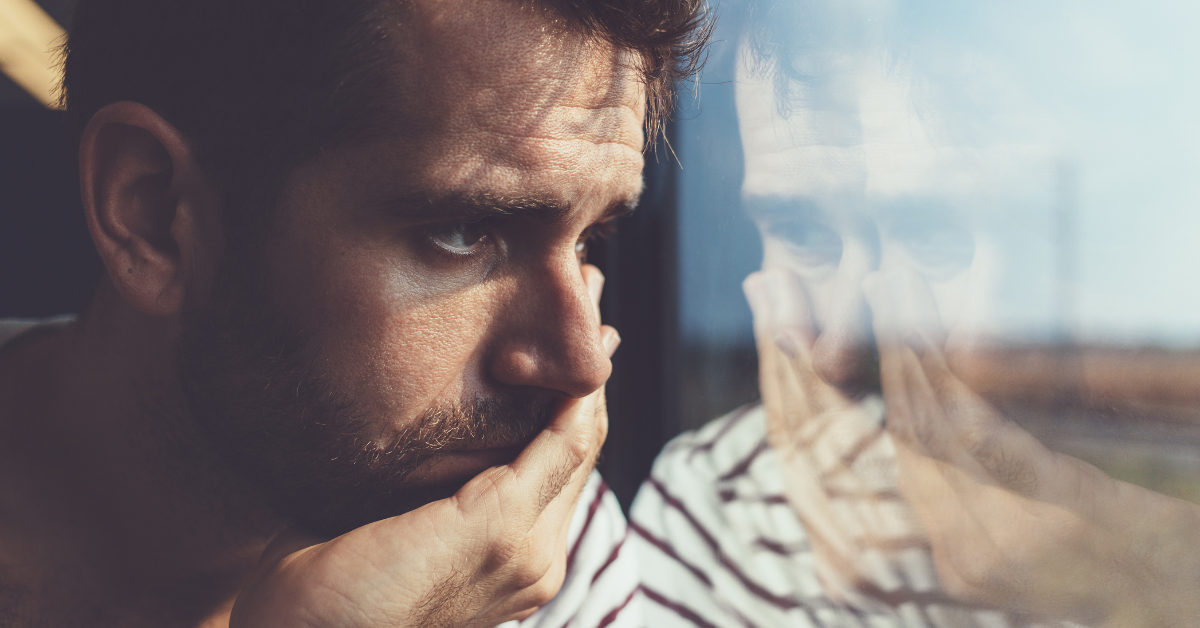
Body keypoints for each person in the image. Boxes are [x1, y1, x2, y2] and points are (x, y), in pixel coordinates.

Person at [0, 0, 708, 625]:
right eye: (461, 233)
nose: (583, 362)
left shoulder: (538, 562)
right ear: (155, 217)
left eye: (590, 239)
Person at [629, 1, 1200, 627]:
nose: (839, 346)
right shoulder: (715, 508)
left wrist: (1110, 576)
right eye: (801, 232)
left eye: (933, 237)